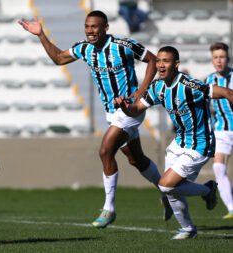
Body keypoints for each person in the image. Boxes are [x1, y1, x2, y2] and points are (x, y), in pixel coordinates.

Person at [19, 10, 172, 228]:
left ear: (105, 28)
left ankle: (109, 209)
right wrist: (41, 35)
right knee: (135, 159)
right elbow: (58, 58)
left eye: (95, 27)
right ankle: (171, 191)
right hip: (112, 112)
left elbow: (152, 59)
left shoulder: (122, 45)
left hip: (131, 109)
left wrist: (142, 90)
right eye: (87, 26)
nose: (90, 31)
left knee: (105, 151)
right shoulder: (84, 48)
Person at [114, 45, 233, 239]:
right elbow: (136, 110)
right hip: (179, 143)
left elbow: (228, 93)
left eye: (166, 61)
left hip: (200, 143)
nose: (160, 65)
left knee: (166, 185)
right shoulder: (157, 87)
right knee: (171, 191)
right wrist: (125, 108)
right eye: (159, 60)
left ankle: (207, 190)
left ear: (176, 64)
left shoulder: (189, 85)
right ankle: (188, 229)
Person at [206, 42, 233, 219]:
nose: (219, 60)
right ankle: (231, 208)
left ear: (227, 58)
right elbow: (204, 106)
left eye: (221, 57)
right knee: (218, 167)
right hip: (222, 131)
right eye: (216, 57)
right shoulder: (209, 80)